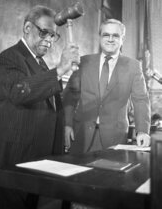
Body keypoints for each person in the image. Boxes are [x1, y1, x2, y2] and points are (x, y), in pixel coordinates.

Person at [0, 5, 80, 209]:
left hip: (36, 158)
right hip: (13, 158)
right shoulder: (10, 57)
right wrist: (59, 70)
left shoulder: (41, 65)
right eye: (44, 33)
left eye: (53, 36)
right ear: (28, 28)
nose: (48, 41)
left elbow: (50, 107)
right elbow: (19, 91)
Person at [63, 19, 151, 155]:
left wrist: (143, 131)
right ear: (100, 37)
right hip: (81, 135)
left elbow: (141, 100)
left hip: (115, 138)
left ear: (122, 39)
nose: (110, 39)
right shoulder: (84, 62)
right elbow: (70, 96)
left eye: (115, 35)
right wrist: (67, 124)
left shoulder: (133, 66)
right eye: (106, 35)